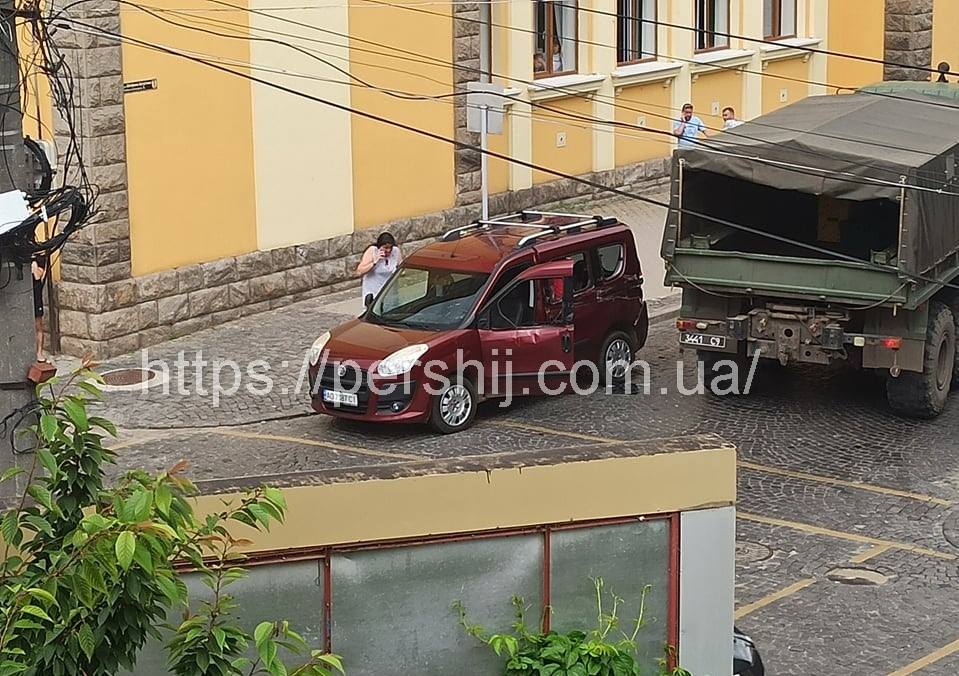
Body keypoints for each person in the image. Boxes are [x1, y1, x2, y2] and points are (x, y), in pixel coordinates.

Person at [355, 232, 402, 300]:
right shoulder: (372, 251)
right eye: (385, 248)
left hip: (390, 293)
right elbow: (359, 271)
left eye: (390, 247)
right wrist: (375, 262)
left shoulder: (396, 251)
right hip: (374, 294)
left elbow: (400, 267)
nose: (388, 250)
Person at [31, 255, 47, 363]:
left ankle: (39, 353)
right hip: (26, 296)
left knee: (39, 326)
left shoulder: (40, 258)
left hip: (36, 298)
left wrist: (34, 264)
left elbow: (38, 276)